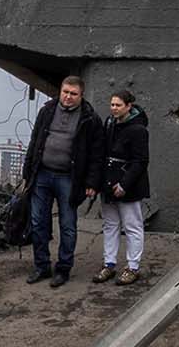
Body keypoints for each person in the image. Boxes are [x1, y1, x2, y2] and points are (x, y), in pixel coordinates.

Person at [23, 75, 102, 285]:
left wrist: (92, 183)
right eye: (65, 92)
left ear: (81, 95)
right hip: (42, 174)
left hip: (69, 178)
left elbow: (96, 154)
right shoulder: (47, 110)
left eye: (73, 94)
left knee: (68, 225)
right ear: (60, 91)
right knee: (38, 222)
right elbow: (35, 141)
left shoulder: (90, 118)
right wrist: (27, 172)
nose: (68, 97)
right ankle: (42, 266)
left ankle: (63, 269)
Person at [90, 89, 151, 285]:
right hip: (108, 182)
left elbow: (141, 161)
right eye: (112, 104)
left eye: (118, 105)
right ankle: (109, 263)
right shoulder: (110, 124)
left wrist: (124, 184)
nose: (114, 108)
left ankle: (133, 267)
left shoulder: (138, 129)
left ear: (128, 106)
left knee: (132, 226)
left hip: (128, 184)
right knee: (110, 225)